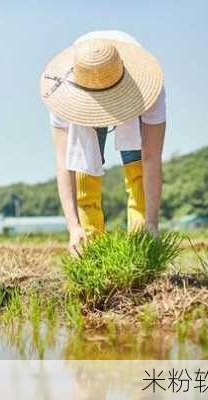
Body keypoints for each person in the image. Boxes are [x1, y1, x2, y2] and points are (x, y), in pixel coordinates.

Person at [40, 30, 166, 254]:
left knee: (137, 174)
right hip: (81, 87)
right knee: (83, 172)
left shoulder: (150, 93)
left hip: (132, 91)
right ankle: (90, 251)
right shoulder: (61, 93)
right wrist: (73, 227)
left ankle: (141, 252)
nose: (103, 115)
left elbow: (151, 157)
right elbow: (64, 163)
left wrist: (152, 223)